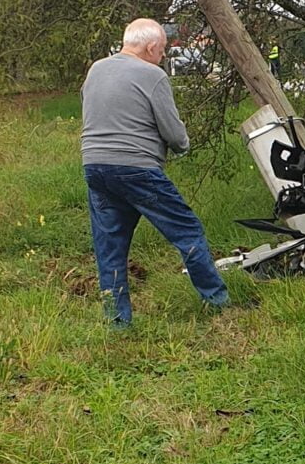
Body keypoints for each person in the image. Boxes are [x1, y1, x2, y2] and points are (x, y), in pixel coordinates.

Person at [81, 18, 230, 327]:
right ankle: (218, 302)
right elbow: (174, 134)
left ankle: (117, 321)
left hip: (95, 166)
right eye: (162, 50)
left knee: (109, 247)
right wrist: (182, 145)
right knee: (187, 231)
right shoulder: (153, 75)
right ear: (150, 47)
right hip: (137, 168)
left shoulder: (96, 69)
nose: (162, 57)